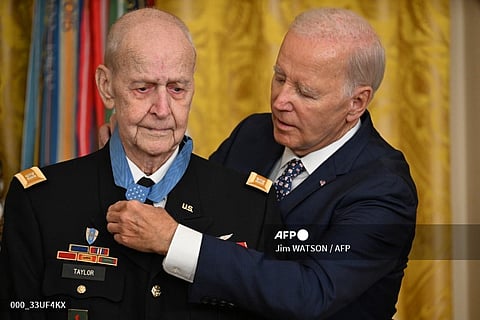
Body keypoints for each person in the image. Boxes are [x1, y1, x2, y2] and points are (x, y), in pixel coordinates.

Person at [99, 7, 418, 320]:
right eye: (279, 77)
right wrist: (143, 151)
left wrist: (173, 241)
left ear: (356, 103)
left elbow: (310, 293)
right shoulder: (254, 134)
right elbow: (195, 203)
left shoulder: (383, 187)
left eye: (305, 93)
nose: (280, 101)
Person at [0, 8, 280, 320]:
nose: (162, 110)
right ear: (107, 87)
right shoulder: (40, 202)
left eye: (177, 88)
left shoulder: (251, 206)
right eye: (143, 88)